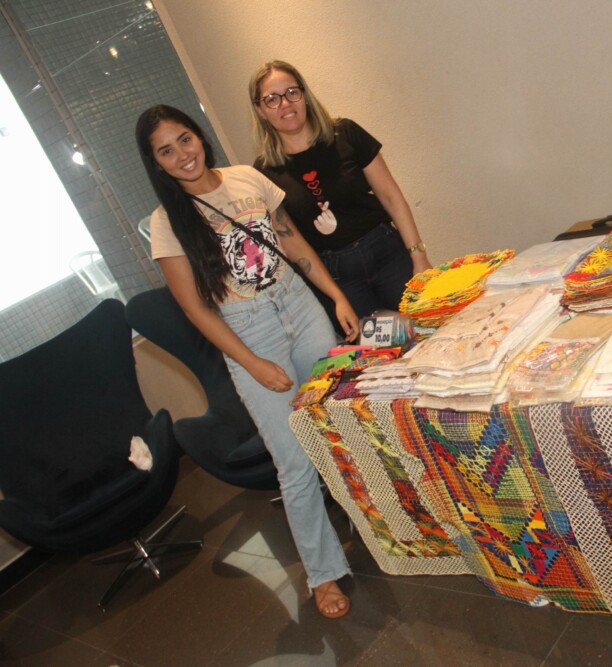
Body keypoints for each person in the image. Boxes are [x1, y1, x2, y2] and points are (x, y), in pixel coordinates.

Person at [135, 104, 358, 620]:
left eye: (184, 139)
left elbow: (291, 242)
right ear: (156, 163)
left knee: (342, 423)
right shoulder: (167, 223)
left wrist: (335, 296)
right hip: (249, 330)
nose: (181, 155)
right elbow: (195, 309)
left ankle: (385, 526)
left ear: (199, 135)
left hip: (300, 306)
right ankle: (323, 572)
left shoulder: (246, 178)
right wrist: (252, 363)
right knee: (293, 460)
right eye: (165, 151)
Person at [249, 60, 432, 326]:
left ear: (304, 95)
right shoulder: (264, 172)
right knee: (383, 349)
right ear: (260, 110)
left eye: (291, 92)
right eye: (272, 99)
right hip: (339, 280)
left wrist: (419, 257)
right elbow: (294, 245)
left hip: (388, 255)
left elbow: (392, 198)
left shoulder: (346, 133)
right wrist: (336, 298)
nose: (285, 104)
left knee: (430, 326)